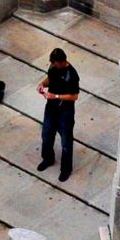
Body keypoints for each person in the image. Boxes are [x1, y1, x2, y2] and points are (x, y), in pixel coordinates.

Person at [39, 47, 81, 180]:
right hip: (51, 109)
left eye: (54, 63)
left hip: (65, 112)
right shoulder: (53, 68)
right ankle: (48, 158)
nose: (52, 65)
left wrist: (55, 96)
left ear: (61, 62)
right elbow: (49, 79)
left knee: (66, 142)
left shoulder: (72, 75)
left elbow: (74, 96)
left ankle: (66, 168)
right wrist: (42, 85)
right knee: (46, 134)